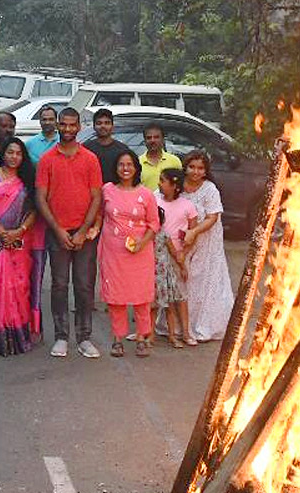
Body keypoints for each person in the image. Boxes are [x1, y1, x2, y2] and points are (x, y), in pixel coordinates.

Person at [35, 107, 103, 359]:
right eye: (63, 124)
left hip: (84, 234)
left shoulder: (90, 158)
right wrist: (58, 230)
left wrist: (83, 231)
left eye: (71, 125)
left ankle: (84, 338)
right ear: (58, 126)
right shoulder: (47, 159)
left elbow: (97, 197)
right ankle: (61, 337)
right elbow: (41, 198)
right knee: (60, 285)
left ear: (79, 127)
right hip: (57, 232)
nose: (66, 129)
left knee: (85, 286)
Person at [0, 137, 44, 355]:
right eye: (10, 152)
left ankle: (18, 335)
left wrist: (19, 231)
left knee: (18, 287)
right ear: (3, 154)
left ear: (23, 157)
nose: (14, 157)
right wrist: (1, 232)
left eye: (18, 153)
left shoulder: (26, 180)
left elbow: (34, 211)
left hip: (19, 242)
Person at [95, 149, 160, 357]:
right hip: (113, 251)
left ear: (136, 168)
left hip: (140, 253)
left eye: (129, 165)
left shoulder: (146, 194)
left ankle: (142, 338)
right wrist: (92, 229)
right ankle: (118, 339)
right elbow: (98, 214)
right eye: (121, 165)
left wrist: (142, 242)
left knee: (141, 297)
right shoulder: (107, 190)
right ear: (116, 168)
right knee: (116, 298)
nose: (125, 168)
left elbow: (154, 223)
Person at [182, 150, 235, 342]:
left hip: (207, 239)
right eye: (192, 167)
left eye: (200, 168)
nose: (196, 172)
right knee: (184, 276)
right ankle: (182, 325)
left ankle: (203, 325)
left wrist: (195, 232)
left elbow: (213, 217)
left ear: (206, 171)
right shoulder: (179, 186)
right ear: (185, 167)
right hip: (184, 239)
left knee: (203, 279)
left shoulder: (210, 189)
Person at [154, 167, 197, 348]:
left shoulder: (187, 206)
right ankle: (153, 331)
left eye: (163, 181)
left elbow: (192, 233)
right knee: (159, 296)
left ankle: (186, 332)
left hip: (177, 256)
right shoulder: (155, 200)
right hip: (157, 257)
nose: (159, 184)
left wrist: (183, 255)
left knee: (181, 295)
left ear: (174, 186)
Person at [82, 108, 129, 184]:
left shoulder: (123, 150)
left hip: (115, 194)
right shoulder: (85, 148)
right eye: (99, 123)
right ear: (94, 126)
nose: (103, 126)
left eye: (107, 123)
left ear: (112, 126)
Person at [139, 123, 182, 191]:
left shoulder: (174, 161)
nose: (153, 140)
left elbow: (180, 186)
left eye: (156, 137)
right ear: (145, 141)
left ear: (163, 139)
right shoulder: (137, 163)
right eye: (149, 138)